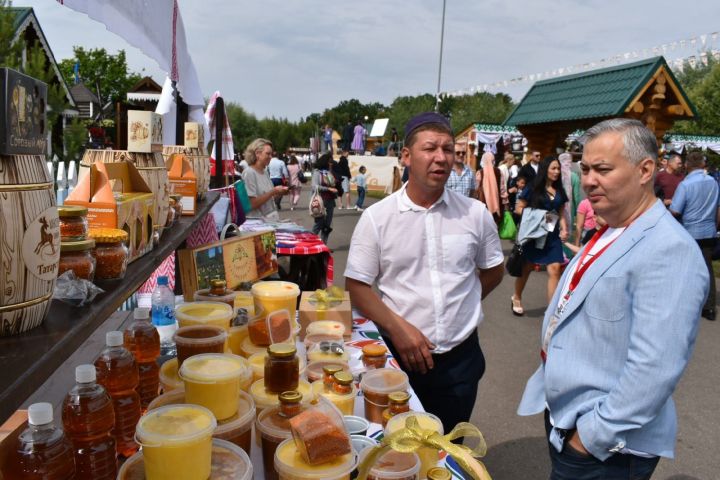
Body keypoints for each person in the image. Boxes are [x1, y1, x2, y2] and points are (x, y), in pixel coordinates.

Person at [518, 118, 708, 480]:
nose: (588, 180)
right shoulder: (615, 226)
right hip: (571, 420)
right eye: (586, 168)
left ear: (645, 170)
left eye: (602, 169)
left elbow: (653, 370)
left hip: (607, 447)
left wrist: (590, 438)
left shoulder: (669, 250)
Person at [344, 112, 504, 432]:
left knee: (446, 448)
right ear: (406, 156)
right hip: (398, 361)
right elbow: (357, 285)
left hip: (460, 361)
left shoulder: (475, 213)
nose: (441, 157)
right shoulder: (378, 217)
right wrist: (398, 328)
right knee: (395, 447)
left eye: (447, 149)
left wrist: (462, 303)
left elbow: (494, 269)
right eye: (430, 148)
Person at [511, 156, 569, 315]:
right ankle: (516, 297)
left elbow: (561, 212)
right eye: (553, 168)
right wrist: (541, 216)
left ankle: (551, 310)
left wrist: (564, 228)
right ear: (545, 169)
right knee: (527, 268)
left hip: (552, 236)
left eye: (558, 168)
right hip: (535, 234)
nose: (557, 172)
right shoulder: (533, 187)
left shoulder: (559, 190)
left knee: (555, 268)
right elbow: (519, 208)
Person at [670, 151, 720, 321]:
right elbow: (718, 208)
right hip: (709, 230)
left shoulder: (685, 185)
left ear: (687, 165)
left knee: (686, 269)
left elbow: (675, 210)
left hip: (690, 232)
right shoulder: (713, 182)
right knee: (707, 269)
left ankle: (687, 305)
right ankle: (710, 307)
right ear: (703, 164)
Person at [242, 138, 288, 221]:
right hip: (257, 224)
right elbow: (251, 204)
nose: (270, 157)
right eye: (268, 154)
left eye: (271, 154)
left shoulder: (265, 172)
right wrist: (273, 191)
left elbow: (268, 198)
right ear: (257, 154)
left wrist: (280, 192)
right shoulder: (249, 173)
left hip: (269, 221)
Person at [311, 153, 339, 244]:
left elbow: (334, 184)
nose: (331, 163)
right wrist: (328, 188)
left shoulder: (329, 172)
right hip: (320, 201)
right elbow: (314, 186)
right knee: (318, 224)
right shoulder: (317, 172)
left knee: (327, 225)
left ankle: (323, 245)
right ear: (325, 162)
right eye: (330, 162)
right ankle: (310, 243)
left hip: (330, 201)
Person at [475, 152, 504, 225]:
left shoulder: (480, 172)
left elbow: (476, 188)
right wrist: (505, 202)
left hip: (483, 201)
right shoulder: (499, 172)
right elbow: (502, 189)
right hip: (497, 202)